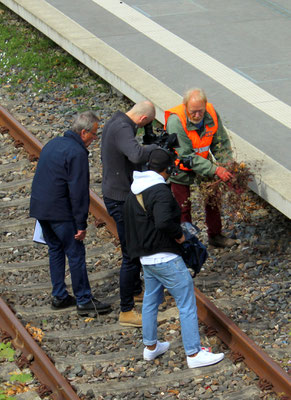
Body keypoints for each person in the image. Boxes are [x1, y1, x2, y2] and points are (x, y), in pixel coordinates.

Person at [124, 148, 224, 368]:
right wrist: (180, 237)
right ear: (167, 169)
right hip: (166, 257)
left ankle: (151, 347)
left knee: (150, 301)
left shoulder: (135, 191)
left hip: (147, 259)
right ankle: (194, 354)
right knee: (187, 304)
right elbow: (162, 222)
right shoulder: (159, 191)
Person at [30, 111, 111, 316]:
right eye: (94, 134)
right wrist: (81, 224)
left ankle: (59, 295)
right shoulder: (77, 152)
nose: (94, 139)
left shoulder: (53, 143)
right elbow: (78, 191)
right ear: (83, 132)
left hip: (41, 209)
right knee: (75, 253)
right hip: (60, 212)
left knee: (55, 250)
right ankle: (84, 300)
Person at [101, 100, 158, 327]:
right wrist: (155, 149)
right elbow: (136, 155)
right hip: (120, 198)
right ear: (143, 119)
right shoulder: (123, 128)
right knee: (131, 254)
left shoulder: (116, 121)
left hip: (117, 193)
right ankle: (126, 311)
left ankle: (135, 290)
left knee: (133, 249)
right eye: (147, 125)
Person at [165, 88, 237, 248]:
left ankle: (215, 236)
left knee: (213, 199)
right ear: (185, 107)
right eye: (193, 112)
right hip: (181, 166)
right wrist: (216, 170)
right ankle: (186, 242)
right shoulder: (176, 121)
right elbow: (186, 155)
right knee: (182, 207)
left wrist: (226, 163)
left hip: (204, 162)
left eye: (200, 111)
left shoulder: (211, 113)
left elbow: (221, 142)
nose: (197, 115)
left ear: (205, 106)